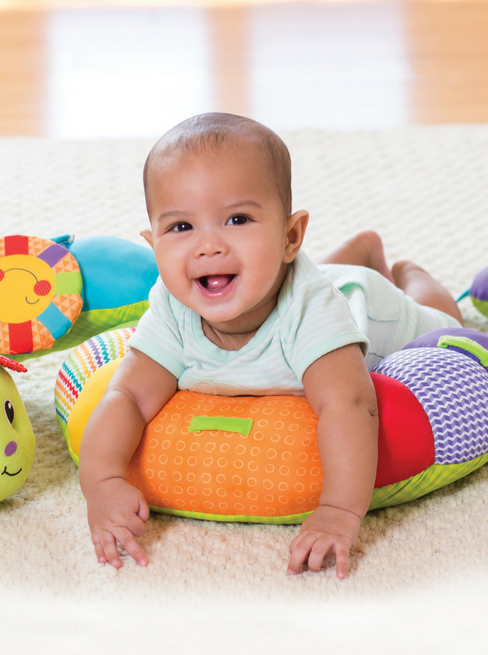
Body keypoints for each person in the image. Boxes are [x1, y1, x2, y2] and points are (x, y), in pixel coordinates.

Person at [78, 113, 462, 579]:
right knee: (276, 278)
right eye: (181, 228)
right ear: (152, 242)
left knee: (446, 324)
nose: (207, 247)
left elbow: (350, 403)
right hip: (293, 279)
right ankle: (359, 247)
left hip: (365, 305)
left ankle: (406, 271)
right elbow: (128, 396)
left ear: (290, 236)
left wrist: (338, 512)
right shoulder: (172, 304)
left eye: (237, 219)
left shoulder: (309, 311)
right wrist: (101, 481)